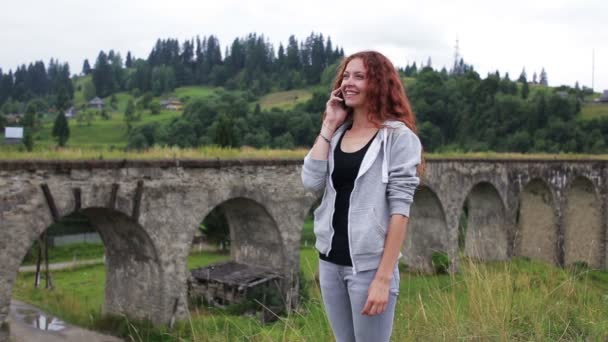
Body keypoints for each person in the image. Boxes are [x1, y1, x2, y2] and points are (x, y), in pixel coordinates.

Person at [301, 51, 422, 342]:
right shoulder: (338, 134)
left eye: (359, 76)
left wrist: (383, 278)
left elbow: (400, 210)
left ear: (378, 84)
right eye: (346, 75)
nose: (348, 82)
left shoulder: (398, 137)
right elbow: (311, 181)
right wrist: (328, 125)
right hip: (329, 262)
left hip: (368, 268)